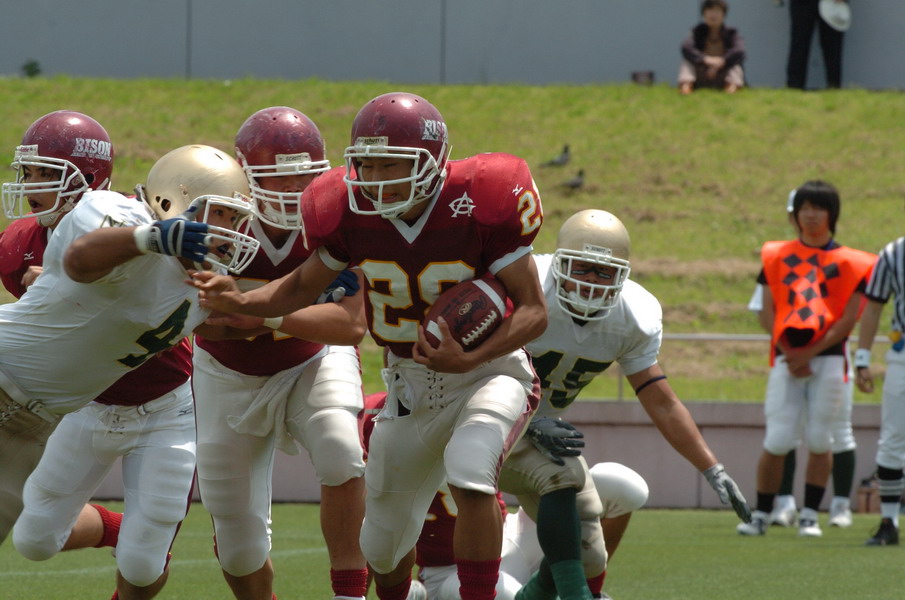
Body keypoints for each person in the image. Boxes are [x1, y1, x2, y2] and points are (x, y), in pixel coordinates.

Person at [190, 91, 549, 600]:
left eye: (391, 164)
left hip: (488, 371)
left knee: (471, 470)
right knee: (381, 548)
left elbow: (534, 311)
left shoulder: (482, 197)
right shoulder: (345, 210)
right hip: (410, 381)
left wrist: (470, 355)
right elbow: (299, 286)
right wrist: (242, 301)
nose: (377, 178)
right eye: (368, 164)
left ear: (432, 161)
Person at [0, 119, 260, 598]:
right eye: (219, 215)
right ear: (174, 201)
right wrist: (152, 239)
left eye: (234, 218)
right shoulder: (111, 211)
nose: (228, 232)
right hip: (15, 381)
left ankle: (136, 537)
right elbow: (80, 260)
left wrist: (307, 291)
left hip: (40, 420)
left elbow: (247, 318)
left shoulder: (203, 289)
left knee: (89, 553)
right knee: (34, 538)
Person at [502, 209, 748, 600]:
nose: (591, 281)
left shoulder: (634, 315)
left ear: (622, 276)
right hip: (485, 420)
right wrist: (529, 421)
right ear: (560, 262)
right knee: (561, 471)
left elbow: (661, 401)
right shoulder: (522, 283)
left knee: (590, 554)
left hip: (539, 434)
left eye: (604, 272)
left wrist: (711, 468)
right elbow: (471, 369)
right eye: (582, 268)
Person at [192, 106, 370, 600]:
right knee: (238, 544)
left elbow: (350, 325)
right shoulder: (215, 216)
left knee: (341, 450)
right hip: (226, 373)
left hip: (312, 359)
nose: (293, 189)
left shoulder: (338, 216)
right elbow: (195, 322)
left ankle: (350, 594)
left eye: (303, 176)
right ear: (243, 175)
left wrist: (262, 315)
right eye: (278, 176)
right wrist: (240, 321)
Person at [737, 180, 874, 537]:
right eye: (804, 208)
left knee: (820, 438)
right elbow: (766, 311)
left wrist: (809, 354)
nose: (811, 215)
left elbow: (849, 318)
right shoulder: (775, 255)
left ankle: (811, 514)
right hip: (786, 358)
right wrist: (791, 352)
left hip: (829, 359)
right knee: (778, 438)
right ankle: (761, 513)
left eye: (819, 208)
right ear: (795, 214)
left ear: (833, 214)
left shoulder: (854, 262)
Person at [854, 227, 905, 546]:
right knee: (893, 439)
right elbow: (873, 306)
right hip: (903, 355)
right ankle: (889, 520)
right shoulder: (894, 253)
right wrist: (862, 358)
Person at [677, 0, 745, 94]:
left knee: (735, 65)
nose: (713, 14)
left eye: (717, 11)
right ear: (704, 13)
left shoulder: (731, 33)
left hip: (722, 73)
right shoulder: (697, 32)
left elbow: (739, 51)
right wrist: (705, 59)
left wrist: (722, 60)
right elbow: (686, 48)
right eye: (709, 10)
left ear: (723, 14)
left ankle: (732, 88)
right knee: (687, 62)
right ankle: (686, 87)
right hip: (702, 72)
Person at [786, 0, 848, 89]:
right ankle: (794, 87)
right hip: (801, 3)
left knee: (833, 48)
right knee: (799, 44)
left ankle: (834, 87)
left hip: (833, 3)